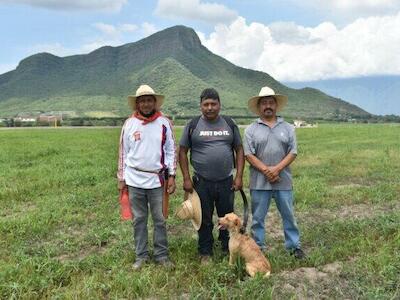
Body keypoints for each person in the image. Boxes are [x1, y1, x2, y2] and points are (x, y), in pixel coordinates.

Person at [179, 88, 245, 264]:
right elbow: (182, 151)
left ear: (219, 105)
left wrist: (239, 176)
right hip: (201, 182)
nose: (210, 107)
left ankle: (226, 247)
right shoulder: (193, 125)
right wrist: (186, 178)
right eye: (206, 104)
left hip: (226, 181)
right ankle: (205, 251)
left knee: (227, 217)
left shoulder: (229, 124)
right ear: (200, 106)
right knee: (204, 218)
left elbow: (239, 149)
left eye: (213, 104)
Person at [117, 84, 176, 270]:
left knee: (159, 219)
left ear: (155, 102)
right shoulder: (129, 124)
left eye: (149, 100)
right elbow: (123, 153)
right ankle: (141, 256)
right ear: (137, 104)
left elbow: (171, 150)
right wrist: (121, 178)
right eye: (142, 100)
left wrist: (172, 175)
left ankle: (161, 255)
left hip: (157, 180)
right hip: (134, 179)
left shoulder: (164, 123)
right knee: (139, 219)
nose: (146, 104)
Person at [243, 86, 305, 259]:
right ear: (259, 107)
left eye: (271, 102)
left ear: (276, 105)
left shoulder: (288, 128)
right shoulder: (250, 130)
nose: (268, 106)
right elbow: (248, 154)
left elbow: (293, 152)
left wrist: (276, 169)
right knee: (258, 219)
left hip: (283, 180)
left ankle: (294, 247)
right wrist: (266, 170)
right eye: (264, 103)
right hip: (259, 182)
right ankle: (258, 249)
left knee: (288, 215)